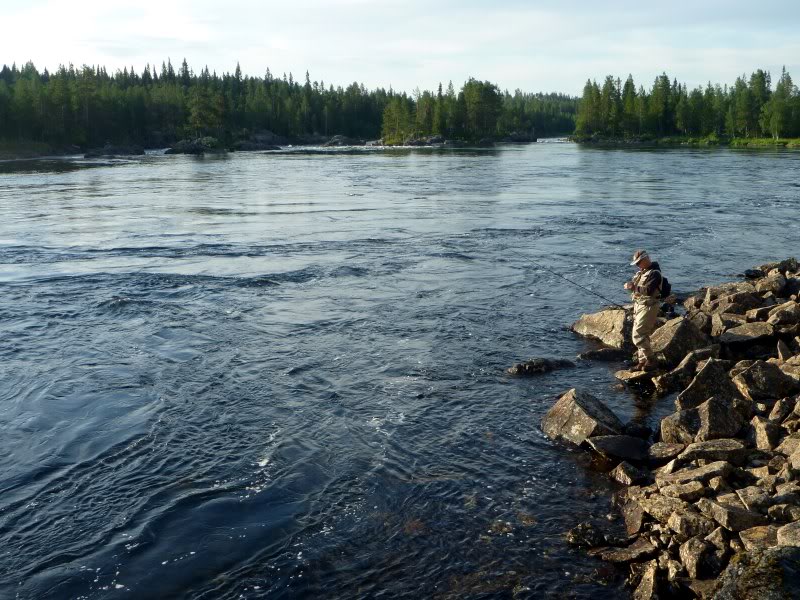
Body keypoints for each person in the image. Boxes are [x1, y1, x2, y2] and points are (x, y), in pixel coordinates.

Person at [623, 249, 664, 371]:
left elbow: (649, 290)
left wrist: (633, 287)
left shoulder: (655, 273)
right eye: (636, 263)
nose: (637, 265)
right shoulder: (642, 272)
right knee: (642, 334)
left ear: (646, 259)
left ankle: (651, 359)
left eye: (638, 262)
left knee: (638, 335)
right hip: (639, 306)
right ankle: (642, 362)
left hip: (649, 306)